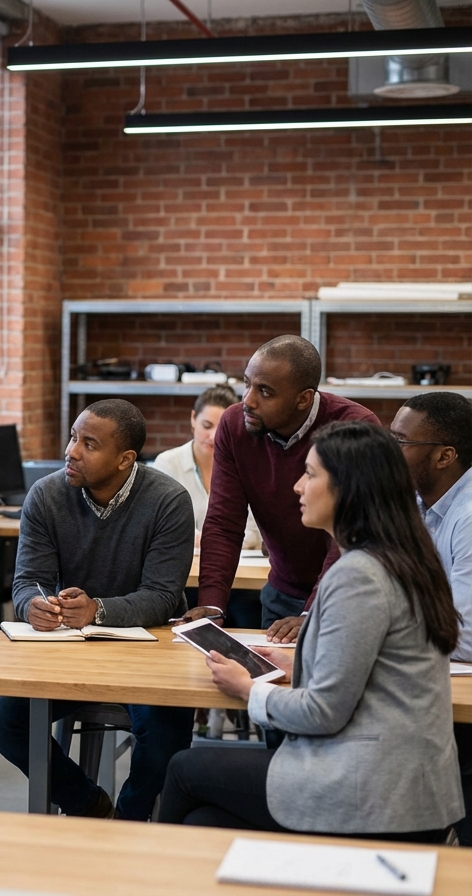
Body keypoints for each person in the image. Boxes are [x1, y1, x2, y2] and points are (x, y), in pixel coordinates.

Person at [158, 421, 464, 842]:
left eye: (311, 474)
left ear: (349, 489)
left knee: (184, 769)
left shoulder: (358, 574)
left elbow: (323, 713)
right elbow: (369, 670)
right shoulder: (400, 557)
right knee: (204, 823)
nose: (297, 487)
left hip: (373, 786)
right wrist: (296, 662)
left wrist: (249, 689)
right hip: (407, 782)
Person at [0, 399, 195, 820]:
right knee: (1, 718)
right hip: (74, 650)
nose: (72, 450)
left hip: (150, 650)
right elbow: (27, 582)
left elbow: (162, 596)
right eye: (73, 437)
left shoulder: (168, 501)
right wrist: (33, 607)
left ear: (124, 460)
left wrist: (96, 609)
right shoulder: (46, 495)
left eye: (89, 444)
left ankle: (129, 821)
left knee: (163, 737)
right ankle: (87, 803)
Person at [187, 335, 378, 644]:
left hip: (346, 595)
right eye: (247, 384)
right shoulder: (235, 425)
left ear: (303, 399)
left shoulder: (354, 428)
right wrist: (211, 603)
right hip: (281, 593)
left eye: (265, 392)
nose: (248, 400)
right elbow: (224, 521)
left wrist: (312, 613)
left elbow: (348, 532)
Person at [390, 391, 472, 846]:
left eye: (402, 441)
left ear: (444, 456)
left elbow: (463, 634)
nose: (390, 450)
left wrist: (377, 631)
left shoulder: (468, 514)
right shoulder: (420, 503)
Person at [153, 385, 261, 629]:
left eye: (220, 427)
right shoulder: (167, 464)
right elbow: (159, 532)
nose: (213, 436)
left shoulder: (245, 467)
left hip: (238, 579)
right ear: (193, 419)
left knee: (250, 612)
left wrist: (202, 540)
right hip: (182, 581)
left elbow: (254, 534)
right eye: (206, 426)